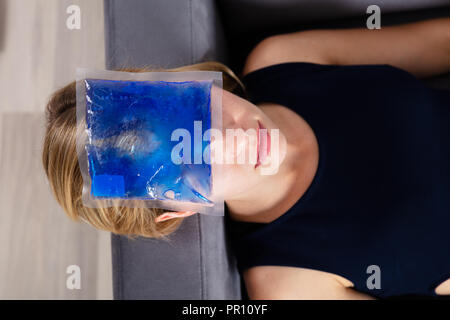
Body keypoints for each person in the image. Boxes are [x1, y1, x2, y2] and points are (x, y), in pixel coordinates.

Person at [43, 17, 450, 299]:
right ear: (176, 210)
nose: (227, 138)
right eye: (190, 163)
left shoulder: (283, 59)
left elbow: (439, 42)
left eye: (193, 110)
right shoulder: (286, 284)